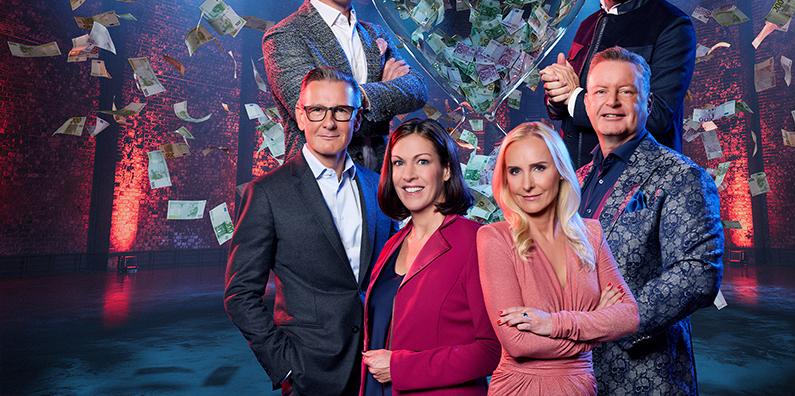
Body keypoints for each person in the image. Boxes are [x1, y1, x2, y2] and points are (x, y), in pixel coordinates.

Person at [225, 67, 398, 395]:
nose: (329, 122)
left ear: (357, 119)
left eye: (341, 110)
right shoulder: (266, 193)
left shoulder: (378, 188)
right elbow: (240, 294)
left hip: (377, 371)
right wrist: (285, 365)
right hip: (309, 374)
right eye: (317, 110)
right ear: (301, 116)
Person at [578, 47, 723, 395]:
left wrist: (608, 321)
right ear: (587, 103)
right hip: (577, 375)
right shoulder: (576, 179)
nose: (612, 102)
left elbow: (698, 273)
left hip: (645, 378)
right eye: (601, 91)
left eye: (626, 91)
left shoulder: (681, 175)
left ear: (648, 102)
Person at [477, 122, 639, 395]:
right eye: (515, 171)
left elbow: (629, 316)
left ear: (561, 172)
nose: (527, 184)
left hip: (580, 386)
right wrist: (596, 329)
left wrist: (551, 323)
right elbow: (518, 343)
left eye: (539, 168)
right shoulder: (494, 238)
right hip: (522, 388)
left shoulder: (591, 234)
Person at [263, 0, 427, 169]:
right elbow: (315, 117)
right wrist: (381, 93)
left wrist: (352, 99)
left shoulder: (376, 33)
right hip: (315, 183)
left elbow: (418, 89)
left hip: (378, 183)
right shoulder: (285, 35)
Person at [359, 118, 500, 395]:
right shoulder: (393, 244)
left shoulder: (473, 240)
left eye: (422, 161)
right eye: (399, 163)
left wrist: (402, 367)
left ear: (446, 170)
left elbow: (491, 350)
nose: (408, 175)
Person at [540, 0, 696, 168]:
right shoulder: (587, 24)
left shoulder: (672, 24)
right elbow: (568, 108)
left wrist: (573, 97)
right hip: (579, 178)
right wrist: (557, 94)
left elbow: (657, 119)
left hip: (637, 181)